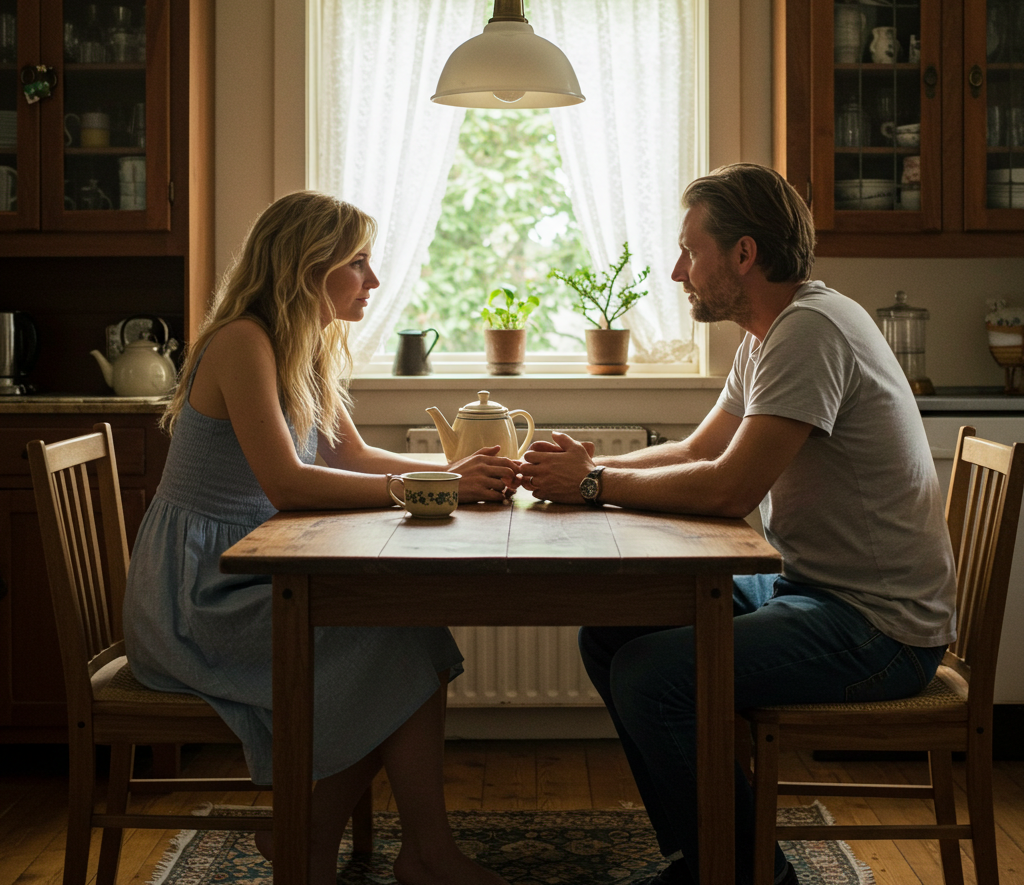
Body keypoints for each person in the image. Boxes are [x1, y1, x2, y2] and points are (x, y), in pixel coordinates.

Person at [520, 163, 956, 885]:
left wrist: (593, 484)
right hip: (812, 593)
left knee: (651, 677)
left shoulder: (810, 330)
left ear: (744, 254)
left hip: (878, 629)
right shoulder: (769, 334)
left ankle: (748, 872)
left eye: (691, 250)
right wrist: (590, 467)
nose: (675, 270)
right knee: (610, 634)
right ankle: (708, 855)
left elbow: (730, 489)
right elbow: (699, 448)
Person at [123, 191, 518, 885]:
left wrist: (452, 471)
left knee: (410, 635)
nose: (373, 280)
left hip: (253, 573)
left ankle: (332, 842)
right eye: (358, 263)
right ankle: (404, 852)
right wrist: (442, 487)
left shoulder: (307, 343)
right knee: (401, 643)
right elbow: (291, 485)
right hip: (199, 593)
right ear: (307, 267)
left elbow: (353, 459)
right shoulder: (242, 340)